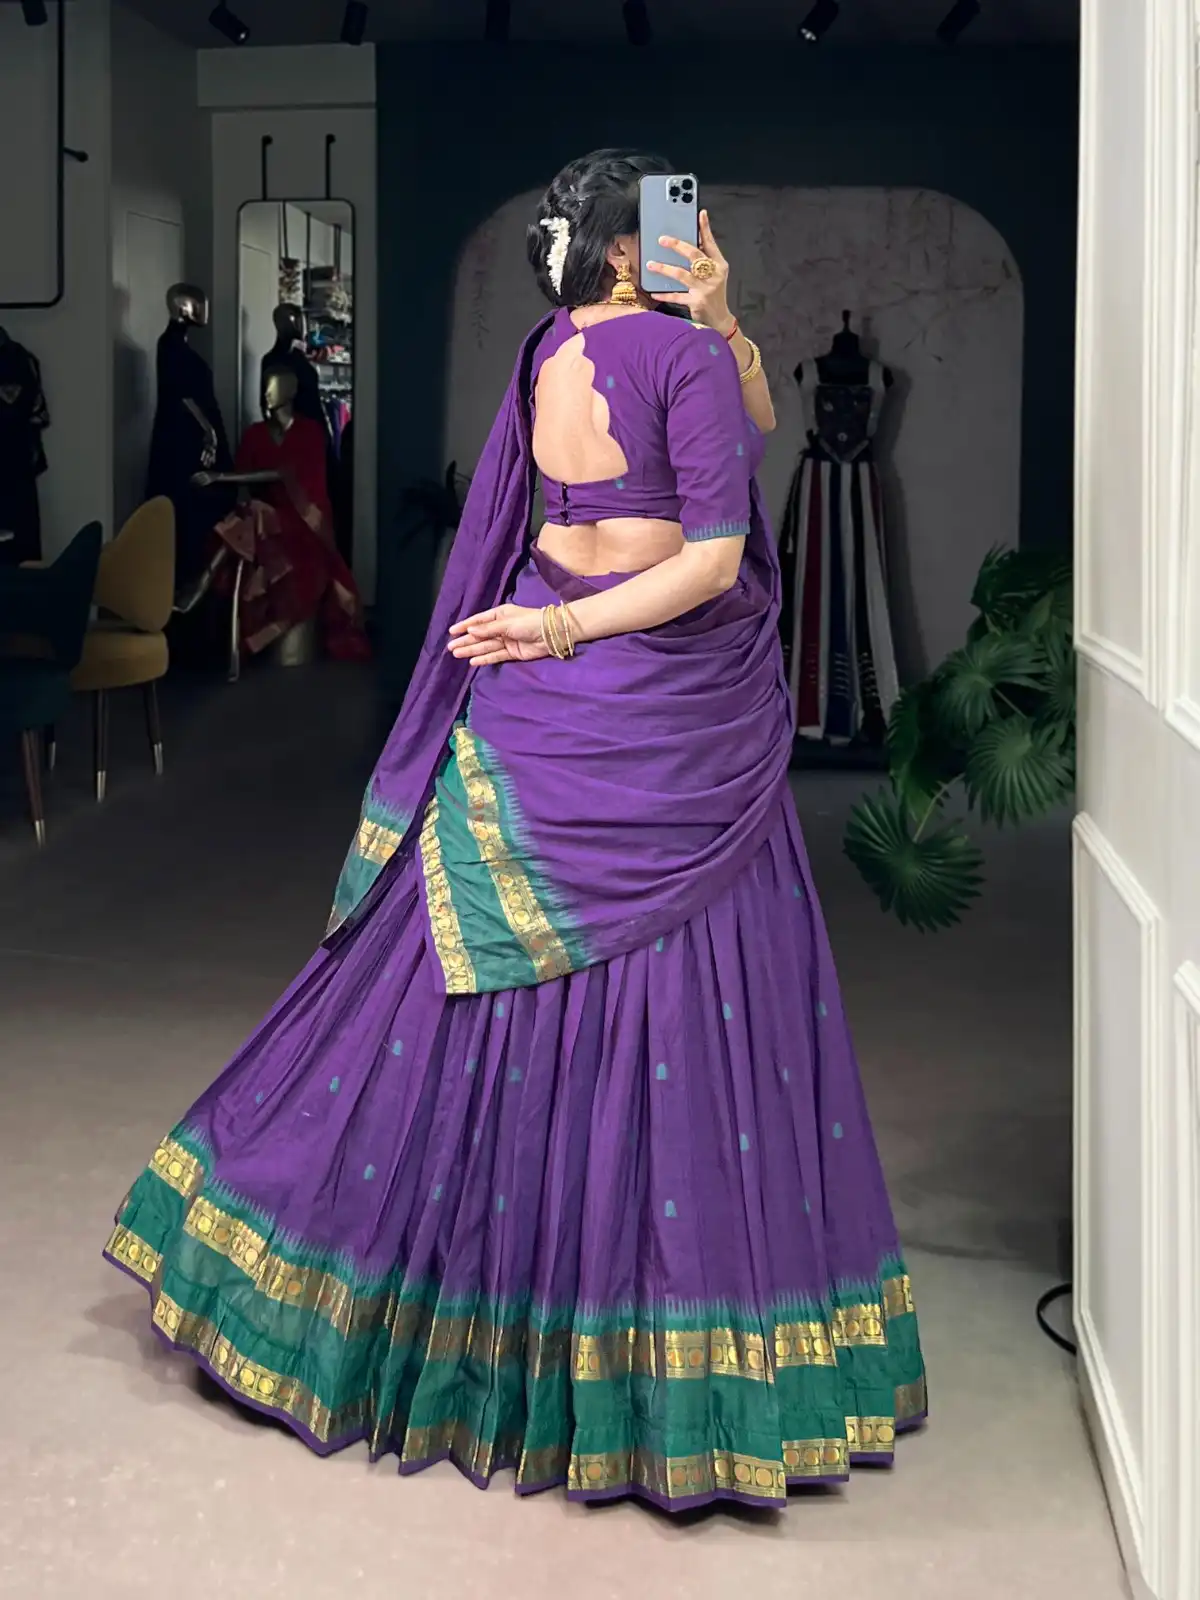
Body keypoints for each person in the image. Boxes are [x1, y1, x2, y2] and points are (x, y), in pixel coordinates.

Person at [105, 150, 925, 1513]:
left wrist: (724, 321)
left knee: (440, 991)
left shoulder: (555, 347)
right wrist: (563, 626)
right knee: (681, 1001)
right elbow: (715, 557)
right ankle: (637, 1351)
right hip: (656, 705)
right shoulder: (679, 358)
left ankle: (409, 1305)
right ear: (628, 248)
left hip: (545, 687)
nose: (691, 239)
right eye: (668, 227)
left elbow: (730, 429)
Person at [186, 367, 369, 663]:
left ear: (290, 391)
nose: (266, 393)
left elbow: (290, 476)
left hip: (304, 520)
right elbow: (244, 477)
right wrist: (217, 471)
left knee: (255, 515)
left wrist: (220, 477)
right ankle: (203, 588)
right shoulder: (255, 434)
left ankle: (200, 585)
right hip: (268, 518)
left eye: (272, 387)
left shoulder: (310, 432)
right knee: (249, 517)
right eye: (265, 387)